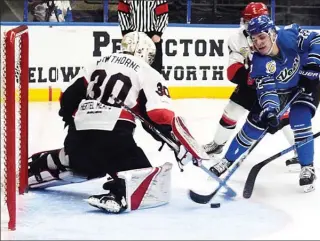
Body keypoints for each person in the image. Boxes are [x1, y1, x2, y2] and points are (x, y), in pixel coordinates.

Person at [28, 32, 198, 214]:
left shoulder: (98, 62)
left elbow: (67, 97)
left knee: (82, 160)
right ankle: (118, 193)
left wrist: (76, 123)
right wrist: (174, 140)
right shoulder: (148, 71)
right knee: (144, 175)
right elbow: (158, 114)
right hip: (114, 139)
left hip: (76, 140)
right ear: (146, 54)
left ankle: (45, 163)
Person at [209, 15, 320, 192]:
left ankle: (307, 167)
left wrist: (313, 67)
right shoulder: (259, 63)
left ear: (273, 33)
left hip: (306, 84)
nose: (258, 42)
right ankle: (227, 160)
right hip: (280, 92)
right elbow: (267, 91)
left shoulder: (289, 35)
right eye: (254, 38)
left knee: (300, 118)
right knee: (252, 128)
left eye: (262, 36)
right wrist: (270, 110)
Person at [203, 2, 298, 167]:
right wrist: (251, 77)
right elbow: (232, 70)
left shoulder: (274, 33)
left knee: (282, 116)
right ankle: (218, 144)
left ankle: (299, 150)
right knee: (232, 110)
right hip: (250, 83)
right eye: (247, 21)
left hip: (274, 83)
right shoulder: (236, 39)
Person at [117, 0, 169, 73]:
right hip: (133, 36)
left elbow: (163, 14)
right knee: (131, 69)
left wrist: (158, 33)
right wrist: (126, 32)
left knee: (155, 70)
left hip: (152, 36)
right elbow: (122, 12)